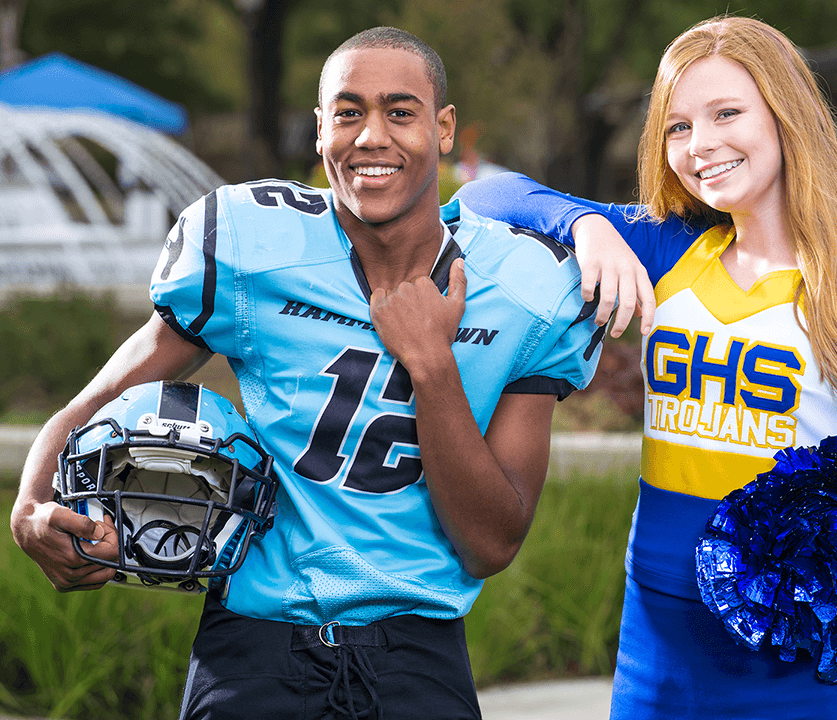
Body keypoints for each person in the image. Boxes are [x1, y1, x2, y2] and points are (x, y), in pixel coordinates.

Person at [454, 15, 837, 719]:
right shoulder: (666, 244)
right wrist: (586, 224)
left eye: (727, 113)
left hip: (804, 643)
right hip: (659, 645)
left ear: (787, 114)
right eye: (678, 126)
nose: (702, 144)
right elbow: (483, 199)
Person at [11, 27, 607, 720]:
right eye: (349, 112)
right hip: (253, 650)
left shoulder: (525, 287)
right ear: (320, 130)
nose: (372, 136)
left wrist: (433, 365)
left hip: (418, 655)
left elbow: (490, 544)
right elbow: (100, 401)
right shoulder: (249, 245)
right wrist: (30, 508)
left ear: (444, 129)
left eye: (401, 111)